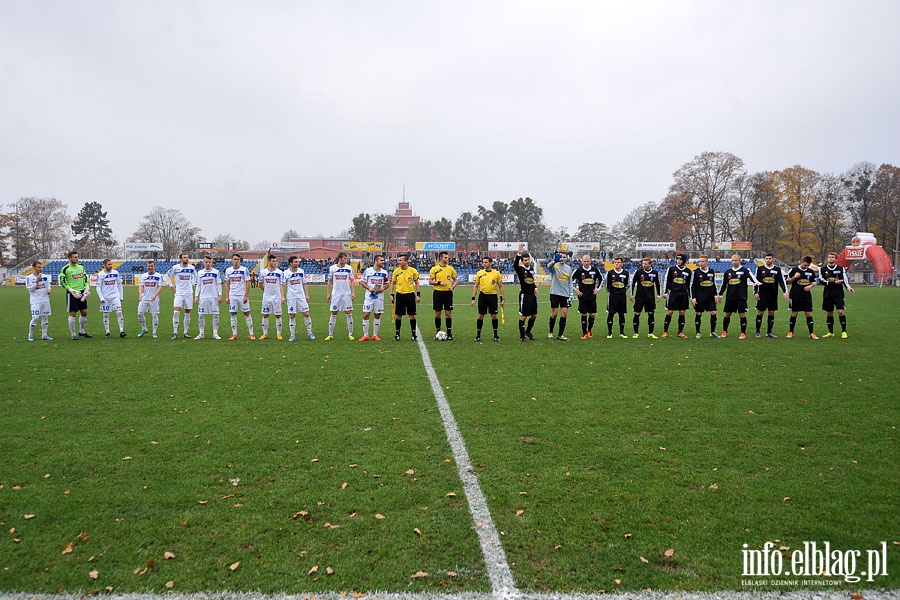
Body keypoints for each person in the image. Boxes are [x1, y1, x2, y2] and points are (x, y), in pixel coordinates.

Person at [718, 254, 758, 339]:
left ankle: (743, 333)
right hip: (730, 296)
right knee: (727, 314)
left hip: (741, 296)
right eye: (732, 260)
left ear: (739, 261)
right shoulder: (728, 272)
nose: (734, 262)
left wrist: (756, 282)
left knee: (742, 314)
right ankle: (724, 331)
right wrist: (720, 294)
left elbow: (752, 277)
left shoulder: (745, 270)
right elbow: (724, 284)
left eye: (736, 260)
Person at [818, 251, 854, 338]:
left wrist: (848, 287)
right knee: (829, 313)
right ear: (827, 259)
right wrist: (834, 282)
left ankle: (844, 331)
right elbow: (821, 281)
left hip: (838, 293)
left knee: (840, 311)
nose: (830, 258)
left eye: (832, 257)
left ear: (836, 259)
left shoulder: (840, 269)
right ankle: (830, 332)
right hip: (827, 294)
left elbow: (844, 279)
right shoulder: (822, 270)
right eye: (829, 257)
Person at [753, 252, 788, 338]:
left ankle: (769, 332)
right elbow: (755, 281)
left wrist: (785, 292)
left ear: (773, 259)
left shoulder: (777, 269)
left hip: (773, 295)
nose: (768, 260)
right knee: (760, 312)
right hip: (762, 295)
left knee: (771, 312)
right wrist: (755, 292)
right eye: (767, 258)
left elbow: (782, 281)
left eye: (770, 258)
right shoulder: (760, 269)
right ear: (765, 259)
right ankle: (757, 332)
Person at [59, 250, 91, 340]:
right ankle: (73, 333)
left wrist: (87, 286)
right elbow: (62, 281)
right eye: (75, 257)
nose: (77, 258)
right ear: (70, 258)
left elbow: (85, 277)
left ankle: (82, 331)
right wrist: (71, 290)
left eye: (77, 257)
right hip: (72, 294)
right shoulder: (65, 268)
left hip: (82, 292)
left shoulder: (81, 266)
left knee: (84, 312)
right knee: (73, 313)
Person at [471, 256, 504, 342]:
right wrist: (473, 298)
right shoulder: (479, 273)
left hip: (493, 296)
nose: (484, 264)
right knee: (480, 316)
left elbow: (500, 287)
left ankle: (496, 335)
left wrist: (502, 299)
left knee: (494, 316)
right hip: (483, 296)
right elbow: (476, 286)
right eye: (483, 262)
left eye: (486, 262)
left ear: (491, 263)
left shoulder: (496, 274)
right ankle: (478, 335)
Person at [786, 256, 819, 339]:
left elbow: (814, 281)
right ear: (801, 261)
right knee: (794, 313)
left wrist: (810, 286)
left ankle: (811, 333)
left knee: (808, 313)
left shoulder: (810, 272)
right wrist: (794, 277)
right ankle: (791, 332)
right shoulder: (794, 270)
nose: (806, 267)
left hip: (806, 296)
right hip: (795, 295)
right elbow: (786, 281)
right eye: (805, 265)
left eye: (808, 265)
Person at [224, 253, 256, 340]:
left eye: (238, 259)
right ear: (232, 260)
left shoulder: (244, 270)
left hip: (242, 295)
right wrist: (227, 296)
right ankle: (234, 334)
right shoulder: (228, 270)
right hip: (232, 295)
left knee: (247, 313)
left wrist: (246, 295)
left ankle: (251, 333)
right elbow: (227, 284)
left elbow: (248, 282)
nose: (236, 261)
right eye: (235, 259)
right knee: (233, 313)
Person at [390, 253, 421, 341]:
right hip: (400, 295)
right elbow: (393, 283)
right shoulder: (396, 271)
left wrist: (418, 295)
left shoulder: (413, 271)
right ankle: (397, 334)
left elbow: (417, 283)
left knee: (412, 315)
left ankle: (414, 334)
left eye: (401, 260)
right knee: (398, 316)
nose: (399, 262)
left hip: (410, 295)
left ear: (406, 261)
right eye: (398, 260)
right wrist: (391, 294)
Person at [326, 252, 356, 340]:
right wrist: (328, 294)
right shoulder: (332, 268)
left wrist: (353, 292)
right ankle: (330, 334)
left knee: (348, 312)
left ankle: (350, 334)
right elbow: (329, 281)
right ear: (340, 258)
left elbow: (352, 280)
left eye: (346, 258)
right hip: (336, 294)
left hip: (346, 294)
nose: (346, 260)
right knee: (334, 312)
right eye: (344, 258)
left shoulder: (349, 268)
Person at [284, 255, 315, 341]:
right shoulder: (286, 273)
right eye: (295, 262)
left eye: (297, 262)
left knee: (306, 314)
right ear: (291, 263)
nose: (297, 263)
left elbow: (304, 283)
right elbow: (282, 285)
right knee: (292, 315)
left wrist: (307, 295)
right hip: (291, 297)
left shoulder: (301, 271)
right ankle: (292, 335)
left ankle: (310, 333)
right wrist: (282, 296)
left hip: (301, 296)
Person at [571, 254, 603, 339]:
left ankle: (589, 330)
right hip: (582, 296)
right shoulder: (578, 271)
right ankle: (584, 333)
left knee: (592, 314)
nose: (586, 263)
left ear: (590, 261)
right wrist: (576, 290)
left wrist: (598, 289)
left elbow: (601, 280)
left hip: (592, 296)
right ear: (581, 261)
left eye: (587, 261)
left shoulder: (595, 270)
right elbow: (570, 281)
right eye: (584, 261)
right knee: (584, 314)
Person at [359, 254, 389, 342]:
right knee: (366, 314)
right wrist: (369, 288)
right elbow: (362, 282)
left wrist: (382, 289)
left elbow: (387, 283)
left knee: (377, 315)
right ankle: (365, 335)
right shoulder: (368, 271)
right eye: (381, 260)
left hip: (379, 297)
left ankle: (375, 335)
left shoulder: (384, 272)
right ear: (376, 261)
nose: (383, 262)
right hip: (369, 297)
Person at [661, 253, 692, 339]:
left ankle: (680, 332)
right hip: (673, 293)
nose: (678, 261)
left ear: (684, 261)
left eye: (680, 259)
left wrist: (692, 297)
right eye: (677, 259)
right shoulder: (671, 269)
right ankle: (665, 331)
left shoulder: (688, 271)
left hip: (683, 294)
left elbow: (690, 285)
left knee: (682, 312)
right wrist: (665, 292)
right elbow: (666, 281)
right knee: (670, 312)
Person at [429, 250, 458, 340]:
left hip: (448, 293)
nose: (447, 259)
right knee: (437, 314)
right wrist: (439, 282)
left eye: (447, 257)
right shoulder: (434, 269)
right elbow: (430, 281)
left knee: (448, 313)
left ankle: (449, 333)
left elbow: (456, 280)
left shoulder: (450, 268)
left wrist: (452, 286)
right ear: (441, 258)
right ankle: (438, 332)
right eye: (445, 257)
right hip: (438, 293)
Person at [512, 243, 538, 342]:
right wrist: (518, 254)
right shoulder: (520, 269)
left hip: (532, 296)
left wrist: (535, 288)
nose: (527, 261)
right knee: (523, 316)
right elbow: (515, 265)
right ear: (522, 261)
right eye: (525, 260)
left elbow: (531, 281)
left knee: (534, 315)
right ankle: (522, 337)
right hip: (525, 295)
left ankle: (528, 332)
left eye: (528, 259)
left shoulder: (531, 269)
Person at [630, 257, 661, 339]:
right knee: (637, 313)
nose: (644, 265)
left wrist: (658, 295)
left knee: (651, 313)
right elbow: (632, 283)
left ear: (650, 264)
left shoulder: (654, 273)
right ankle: (636, 332)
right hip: (640, 297)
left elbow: (657, 284)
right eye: (643, 263)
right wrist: (631, 294)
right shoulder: (638, 272)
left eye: (646, 264)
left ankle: (651, 333)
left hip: (650, 297)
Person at [691, 254, 721, 338]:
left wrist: (716, 295)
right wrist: (693, 297)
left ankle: (713, 332)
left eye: (702, 261)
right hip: (699, 296)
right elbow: (692, 285)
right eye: (699, 261)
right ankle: (698, 332)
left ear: (707, 262)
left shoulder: (711, 271)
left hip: (710, 297)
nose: (700, 263)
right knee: (699, 313)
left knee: (714, 312)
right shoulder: (695, 272)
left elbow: (713, 284)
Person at [545, 251, 573, 341]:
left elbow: (570, 282)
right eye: (561, 257)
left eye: (564, 257)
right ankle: (550, 332)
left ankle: (560, 335)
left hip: (565, 294)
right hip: (555, 293)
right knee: (554, 314)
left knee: (564, 314)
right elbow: (548, 267)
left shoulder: (568, 268)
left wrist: (571, 293)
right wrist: (554, 261)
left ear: (566, 258)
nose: (562, 258)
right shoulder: (555, 266)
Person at [96, 258, 126, 338]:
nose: (111, 266)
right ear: (104, 265)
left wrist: (121, 296)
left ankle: (121, 330)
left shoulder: (116, 272)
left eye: (111, 264)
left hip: (115, 296)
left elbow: (119, 284)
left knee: (119, 312)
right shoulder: (101, 275)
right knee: (106, 315)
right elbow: (98, 287)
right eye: (109, 264)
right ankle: (107, 332)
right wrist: (101, 298)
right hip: (105, 298)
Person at [168, 252, 196, 339]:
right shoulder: (176, 267)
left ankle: (185, 332)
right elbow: (167, 275)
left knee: (187, 312)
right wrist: (172, 286)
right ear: (181, 259)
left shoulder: (191, 268)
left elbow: (196, 276)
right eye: (184, 257)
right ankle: (175, 332)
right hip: (179, 292)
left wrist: (193, 284)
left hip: (188, 293)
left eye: (187, 257)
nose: (186, 259)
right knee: (176, 312)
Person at [194, 254, 222, 339]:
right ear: (204, 262)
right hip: (203, 297)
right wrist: (196, 296)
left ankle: (215, 333)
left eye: (209, 262)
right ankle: (201, 333)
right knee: (201, 315)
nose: (208, 263)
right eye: (206, 262)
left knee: (215, 315)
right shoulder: (200, 273)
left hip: (213, 297)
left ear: (212, 262)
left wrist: (220, 295)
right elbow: (198, 285)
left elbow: (218, 284)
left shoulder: (216, 272)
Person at [258, 254, 285, 340]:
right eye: (273, 261)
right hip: (266, 298)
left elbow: (281, 285)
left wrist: (282, 296)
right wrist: (266, 291)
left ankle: (279, 334)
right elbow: (260, 284)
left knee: (278, 315)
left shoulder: (280, 273)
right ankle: (265, 334)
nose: (275, 263)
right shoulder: (263, 272)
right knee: (265, 315)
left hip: (277, 297)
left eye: (275, 261)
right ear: (269, 262)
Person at [137, 259, 165, 338]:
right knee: (140, 313)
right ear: (146, 267)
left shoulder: (158, 276)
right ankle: (144, 328)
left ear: (154, 266)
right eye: (149, 266)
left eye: (151, 266)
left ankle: (154, 332)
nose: (150, 267)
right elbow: (141, 286)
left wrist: (155, 295)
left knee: (154, 315)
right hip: (144, 298)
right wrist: (140, 295)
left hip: (154, 299)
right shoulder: (144, 276)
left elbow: (160, 287)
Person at [25, 261, 52, 341]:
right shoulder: (29, 278)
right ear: (34, 268)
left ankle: (44, 335)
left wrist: (49, 289)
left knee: (45, 318)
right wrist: (36, 281)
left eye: (41, 267)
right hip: (35, 301)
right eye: (39, 267)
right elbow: (30, 289)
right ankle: (30, 334)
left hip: (45, 300)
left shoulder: (45, 276)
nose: (41, 269)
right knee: (35, 318)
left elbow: (48, 285)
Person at [605, 257, 630, 338]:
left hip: (622, 296)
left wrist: (622, 291)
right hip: (612, 296)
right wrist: (611, 291)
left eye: (618, 262)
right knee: (611, 314)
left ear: (622, 263)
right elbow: (606, 284)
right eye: (615, 262)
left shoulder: (626, 273)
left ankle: (622, 333)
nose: (617, 264)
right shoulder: (610, 273)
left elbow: (628, 284)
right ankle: (609, 333)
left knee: (621, 314)